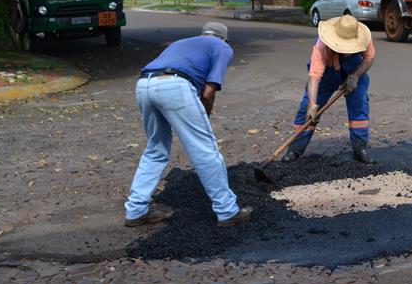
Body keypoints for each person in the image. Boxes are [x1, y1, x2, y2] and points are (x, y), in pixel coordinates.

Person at [124, 22, 252, 228]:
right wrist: (204, 117)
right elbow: (209, 91)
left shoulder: (182, 42)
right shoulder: (222, 47)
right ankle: (228, 211)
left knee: (155, 149)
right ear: (224, 38)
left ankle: (136, 210)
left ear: (203, 34)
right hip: (174, 85)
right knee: (205, 149)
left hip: (144, 84)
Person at [283, 14, 376, 164]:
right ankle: (295, 149)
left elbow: (369, 58)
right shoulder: (321, 47)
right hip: (327, 73)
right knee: (306, 110)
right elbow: (314, 76)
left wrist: (356, 75)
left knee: (359, 105)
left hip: (354, 68)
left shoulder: (364, 37)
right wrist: (313, 104)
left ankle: (360, 149)